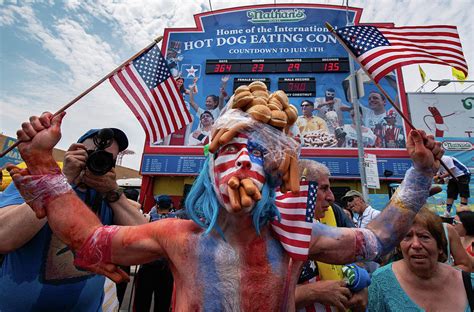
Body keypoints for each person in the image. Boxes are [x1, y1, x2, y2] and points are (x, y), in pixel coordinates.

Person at [8, 101, 443, 310]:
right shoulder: (180, 237)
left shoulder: (294, 238)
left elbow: (377, 237)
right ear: (208, 172)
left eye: (256, 151)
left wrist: (420, 174)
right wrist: (45, 164)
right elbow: (93, 239)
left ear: (275, 172)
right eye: (229, 150)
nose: (241, 162)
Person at [0, 127, 147, 311]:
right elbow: (3, 237)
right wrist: (62, 181)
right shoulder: (34, 181)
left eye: (108, 158)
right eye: (91, 154)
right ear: (73, 152)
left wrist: (113, 193)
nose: (98, 160)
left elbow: (144, 241)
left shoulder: (107, 197)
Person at [295, 159, 368, 312]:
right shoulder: (268, 228)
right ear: (299, 187)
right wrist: (313, 292)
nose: (331, 197)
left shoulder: (333, 212)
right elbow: (257, 297)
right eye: (324, 188)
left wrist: (359, 285)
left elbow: (356, 252)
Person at [368, 207, 473, 311]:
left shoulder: (468, 282)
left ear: (440, 247)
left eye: (424, 237)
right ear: (399, 245)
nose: (416, 245)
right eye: (407, 236)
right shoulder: (381, 282)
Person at [134, 195, 174, 312]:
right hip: (166, 269)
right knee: (163, 303)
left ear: (157, 205)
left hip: (147, 266)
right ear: (170, 206)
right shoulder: (176, 221)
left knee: (142, 302)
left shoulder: (147, 218)